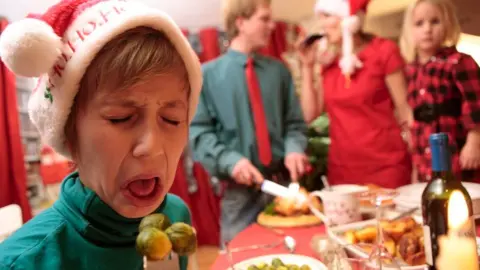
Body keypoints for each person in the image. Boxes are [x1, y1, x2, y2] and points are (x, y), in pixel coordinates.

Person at [0, 0, 202, 269]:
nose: (151, 147)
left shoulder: (176, 216)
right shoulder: (22, 262)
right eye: (120, 118)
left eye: (172, 119)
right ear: (70, 133)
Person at [189, 0, 308, 243]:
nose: (272, 25)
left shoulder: (279, 72)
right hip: (239, 197)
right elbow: (199, 133)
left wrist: (294, 149)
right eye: (264, 19)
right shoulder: (206, 76)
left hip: (283, 191)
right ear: (241, 22)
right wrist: (231, 161)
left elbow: (294, 123)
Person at [297, 0, 413, 189]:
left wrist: (418, 162)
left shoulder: (384, 51)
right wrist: (308, 67)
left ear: (349, 19)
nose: (323, 24)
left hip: (387, 167)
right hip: (342, 171)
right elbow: (309, 115)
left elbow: (405, 111)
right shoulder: (330, 63)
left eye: (328, 16)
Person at [400, 0, 480, 182]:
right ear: (409, 30)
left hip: (457, 151)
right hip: (424, 156)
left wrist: (474, 142)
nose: (427, 29)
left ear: (448, 24)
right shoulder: (410, 70)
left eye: (435, 21)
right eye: (419, 23)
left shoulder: (459, 62)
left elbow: (475, 105)